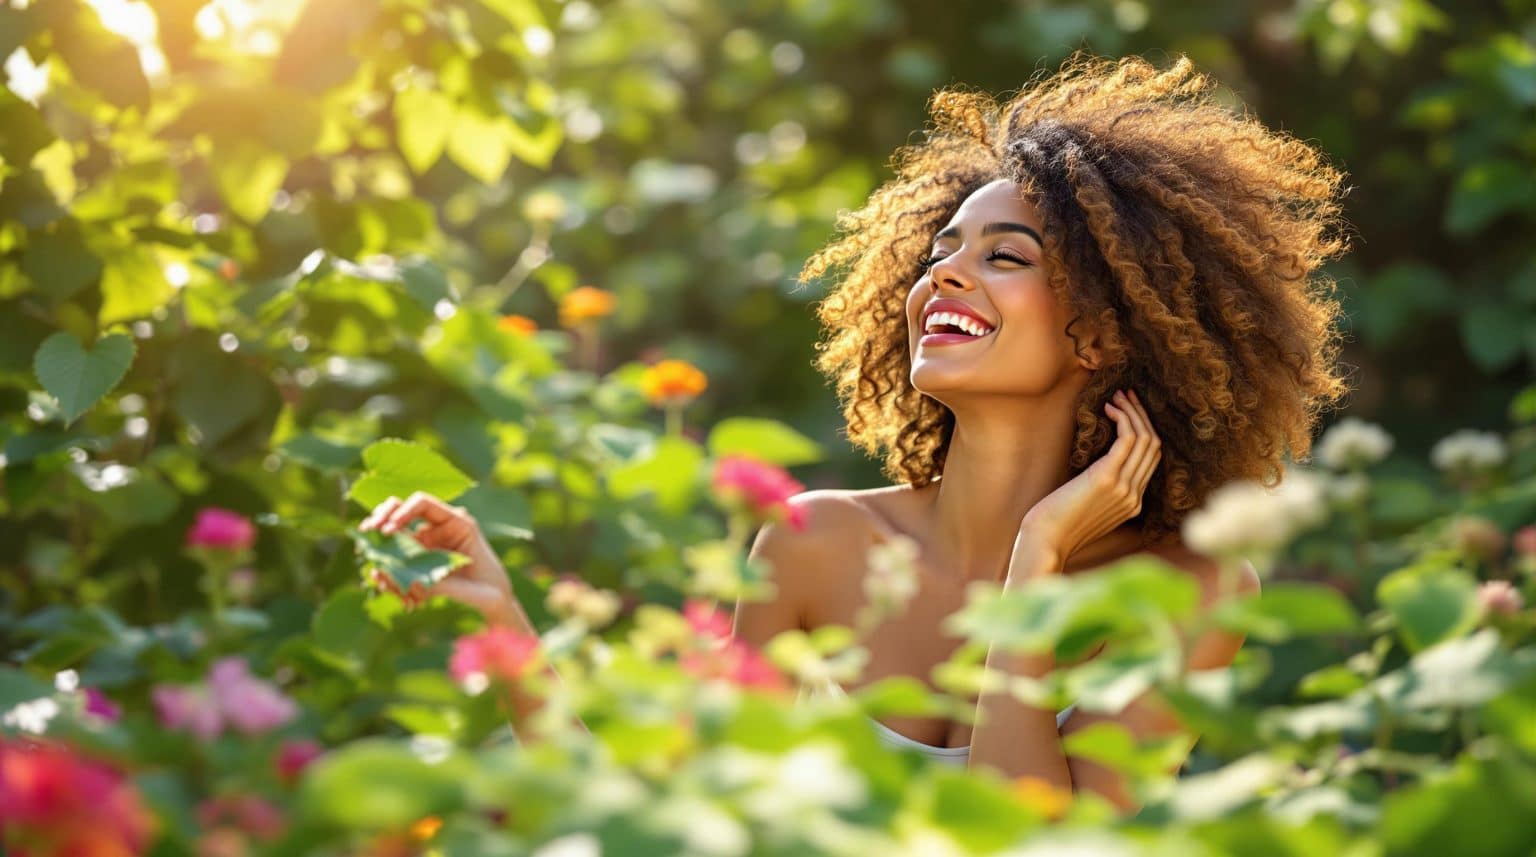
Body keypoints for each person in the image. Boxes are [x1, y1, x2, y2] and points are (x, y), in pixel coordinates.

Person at [360, 52, 1351, 815]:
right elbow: (669, 824)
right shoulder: (815, 542)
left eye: (1005, 256)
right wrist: (503, 619)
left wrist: (1035, 563)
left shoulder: (1188, 589)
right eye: (941, 250)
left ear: (1099, 331)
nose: (943, 273)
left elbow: (1035, 841)